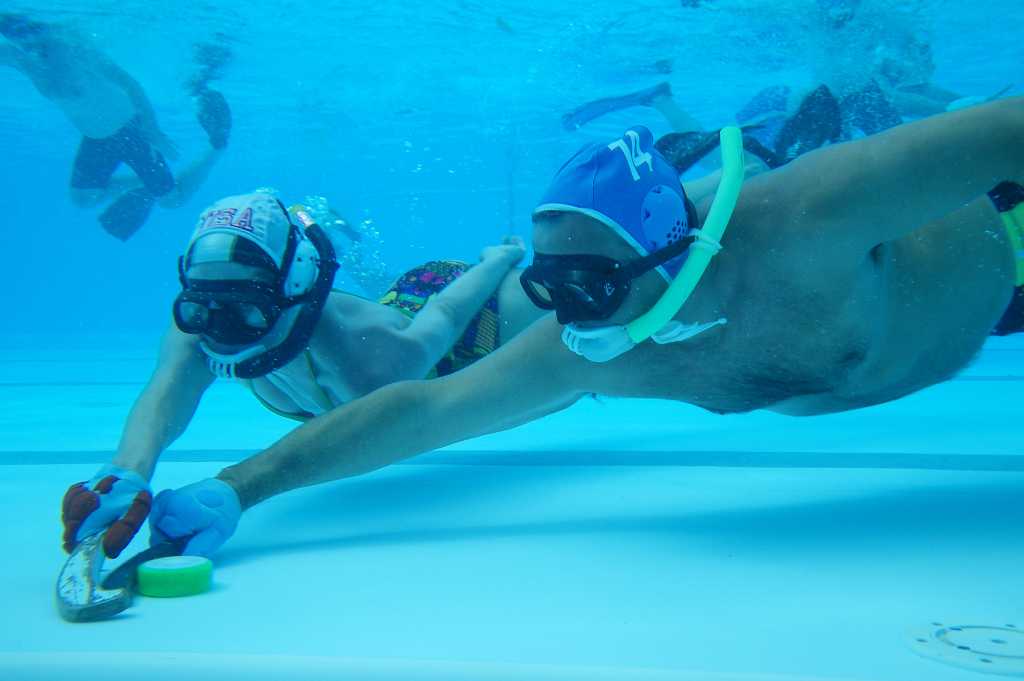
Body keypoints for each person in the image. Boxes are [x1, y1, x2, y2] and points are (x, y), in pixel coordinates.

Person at [66, 98, 1024, 561]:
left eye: (589, 283)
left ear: (670, 255)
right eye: (547, 280)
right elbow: (424, 411)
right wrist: (239, 489)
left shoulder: (813, 216)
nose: (565, 310)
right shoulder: (596, 333)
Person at [60, 191, 543, 559]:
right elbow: (166, 387)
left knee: (560, 329)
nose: (222, 333)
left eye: (245, 312)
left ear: (291, 291)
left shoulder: (370, 357)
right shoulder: (207, 316)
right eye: (201, 309)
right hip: (400, 307)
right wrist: (126, 472)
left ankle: (504, 262)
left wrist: (497, 261)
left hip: (469, 326)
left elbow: (448, 313)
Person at [0, 14, 232, 241]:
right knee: (83, 199)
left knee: (172, 201)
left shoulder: (78, 52)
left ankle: (216, 149)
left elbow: (132, 86)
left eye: (38, 42)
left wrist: (153, 131)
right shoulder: (25, 61)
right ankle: (147, 183)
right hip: (96, 138)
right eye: (23, 43)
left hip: (132, 132)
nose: (34, 50)